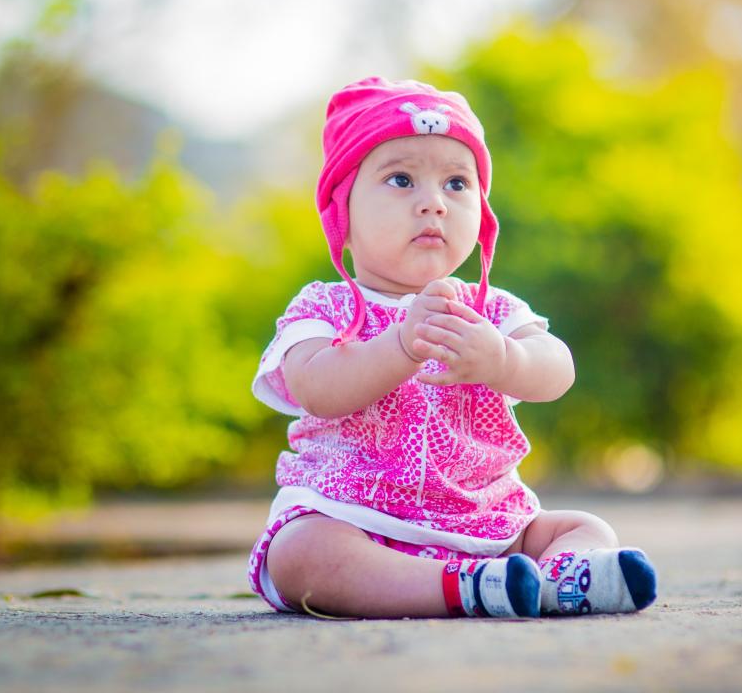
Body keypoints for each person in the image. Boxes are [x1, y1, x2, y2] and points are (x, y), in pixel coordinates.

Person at [247, 77, 657, 619]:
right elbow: (315, 388)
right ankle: (463, 588)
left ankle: (553, 580)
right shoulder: (326, 306)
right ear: (343, 211)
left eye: (457, 184)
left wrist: (505, 359)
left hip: (487, 524)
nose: (434, 204)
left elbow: (558, 368)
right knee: (299, 554)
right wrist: (400, 345)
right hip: (355, 520)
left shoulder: (489, 310)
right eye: (401, 180)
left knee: (584, 527)